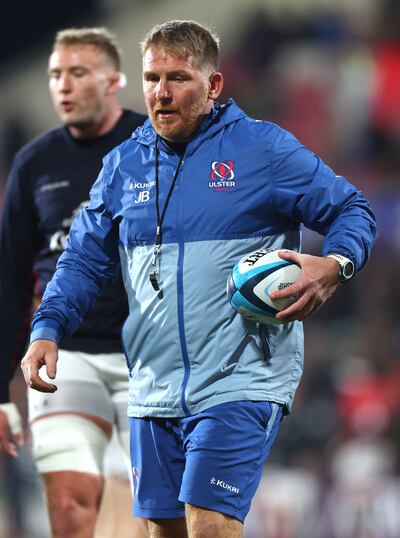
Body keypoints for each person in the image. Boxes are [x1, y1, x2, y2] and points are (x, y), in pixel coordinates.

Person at [20, 20, 377, 538]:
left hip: (241, 378)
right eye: (151, 78)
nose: (160, 94)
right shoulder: (122, 167)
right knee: (165, 532)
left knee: (208, 525)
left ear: (213, 85)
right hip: (152, 388)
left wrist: (335, 266)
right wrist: (47, 328)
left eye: (178, 78)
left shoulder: (263, 151)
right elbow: (80, 260)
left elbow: (351, 208)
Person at [0, 27, 148, 538]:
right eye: (55, 75)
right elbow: (11, 278)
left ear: (114, 80)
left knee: (158, 509)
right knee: (68, 507)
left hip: (148, 353)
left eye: (78, 73)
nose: (63, 85)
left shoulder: (152, 146)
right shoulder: (33, 165)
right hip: (67, 357)